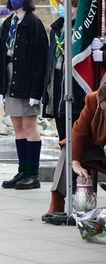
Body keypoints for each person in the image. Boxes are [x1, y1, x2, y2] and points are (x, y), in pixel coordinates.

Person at [0, 0, 48, 189]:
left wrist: (37, 90)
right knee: (17, 126)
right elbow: (2, 55)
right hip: (10, 77)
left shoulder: (33, 23)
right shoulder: (8, 23)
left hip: (27, 80)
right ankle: (22, 170)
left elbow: (40, 59)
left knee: (29, 126)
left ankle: (32, 173)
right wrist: (1, 87)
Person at [44, 82, 106, 218]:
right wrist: (76, 162)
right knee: (69, 146)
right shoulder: (91, 99)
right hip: (100, 151)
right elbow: (78, 132)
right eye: (104, 110)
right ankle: (57, 201)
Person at [43, 0, 85, 141]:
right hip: (58, 89)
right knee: (63, 137)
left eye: (65, 3)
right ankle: (65, 163)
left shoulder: (82, 29)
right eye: (60, 3)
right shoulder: (56, 29)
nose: (61, 7)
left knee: (78, 139)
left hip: (76, 91)